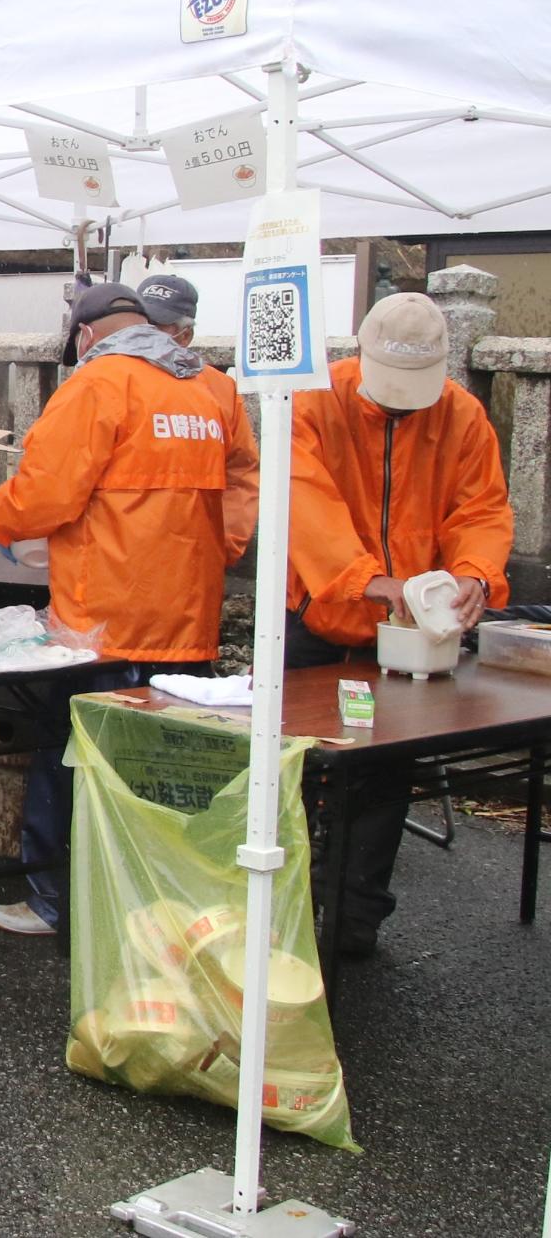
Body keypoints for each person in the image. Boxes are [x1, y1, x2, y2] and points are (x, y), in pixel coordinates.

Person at [0, 282, 258, 937]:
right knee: (166, 771)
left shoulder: (97, 385)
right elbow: (246, 483)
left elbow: (43, 494)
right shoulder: (214, 390)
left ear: (85, 334)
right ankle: (153, 905)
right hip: (188, 620)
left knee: (70, 758)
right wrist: (221, 547)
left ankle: (53, 901)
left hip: (101, 621)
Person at [287, 292, 512, 956]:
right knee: (295, 765)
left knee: (385, 772)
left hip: (410, 639)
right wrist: (369, 580)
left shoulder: (464, 416)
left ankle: (355, 919)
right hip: (318, 620)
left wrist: (475, 573)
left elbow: (483, 509)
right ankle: (286, 907)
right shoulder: (316, 402)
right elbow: (305, 503)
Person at [135, 274, 260, 560]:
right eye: (139, 322)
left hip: (195, 559)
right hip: (120, 557)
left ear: (185, 335)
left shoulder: (220, 389)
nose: (143, 332)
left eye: (156, 325)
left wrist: (225, 542)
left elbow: (241, 470)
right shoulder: (108, 379)